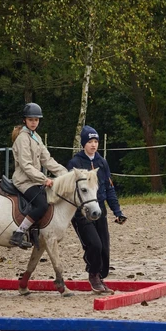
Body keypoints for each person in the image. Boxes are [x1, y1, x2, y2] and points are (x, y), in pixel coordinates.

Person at [67, 125, 127, 294]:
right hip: (82, 211)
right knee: (94, 244)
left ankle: (100, 277)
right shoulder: (75, 163)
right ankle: (93, 274)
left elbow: (109, 189)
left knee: (104, 248)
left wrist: (118, 211)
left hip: (99, 208)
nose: (93, 145)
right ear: (84, 144)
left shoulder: (102, 161)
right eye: (90, 141)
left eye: (95, 141)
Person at [10, 102, 68, 248]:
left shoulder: (36, 137)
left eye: (36, 120)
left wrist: (65, 174)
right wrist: (44, 179)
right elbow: (26, 166)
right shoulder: (22, 138)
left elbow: (47, 159)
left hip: (34, 180)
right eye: (31, 120)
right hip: (24, 181)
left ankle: (35, 230)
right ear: (25, 120)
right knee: (42, 204)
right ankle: (19, 233)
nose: (34, 122)